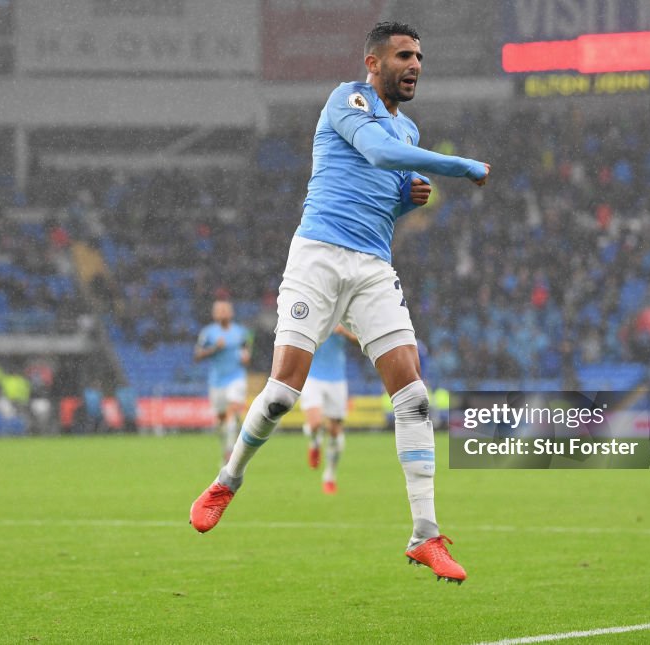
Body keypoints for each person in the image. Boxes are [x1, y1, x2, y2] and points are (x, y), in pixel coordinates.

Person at [190, 21, 489, 584]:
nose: (415, 64)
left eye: (420, 56)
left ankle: (425, 535)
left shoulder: (410, 129)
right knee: (281, 394)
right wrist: (461, 166)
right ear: (374, 64)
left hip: (372, 267)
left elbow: (381, 199)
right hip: (319, 258)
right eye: (403, 55)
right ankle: (229, 478)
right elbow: (374, 153)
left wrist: (408, 202)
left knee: (415, 397)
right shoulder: (347, 99)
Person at [302, 324, 358, 495]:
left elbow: (361, 341)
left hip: (337, 380)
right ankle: (314, 442)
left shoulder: (347, 315)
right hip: (312, 376)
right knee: (315, 423)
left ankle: (329, 476)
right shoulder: (317, 310)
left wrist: (344, 332)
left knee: (335, 433)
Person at [194, 299, 250, 463]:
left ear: (231, 313)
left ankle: (230, 453)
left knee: (231, 414)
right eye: (220, 310)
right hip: (217, 381)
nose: (223, 313)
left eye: (226, 310)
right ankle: (226, 445)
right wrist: (214, 349)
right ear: (214, 314)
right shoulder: (208, 333)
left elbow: (246, 352)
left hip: (236, 377)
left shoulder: (241, 332)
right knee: (220, 421)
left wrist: (246, 357)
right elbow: (197, 356)